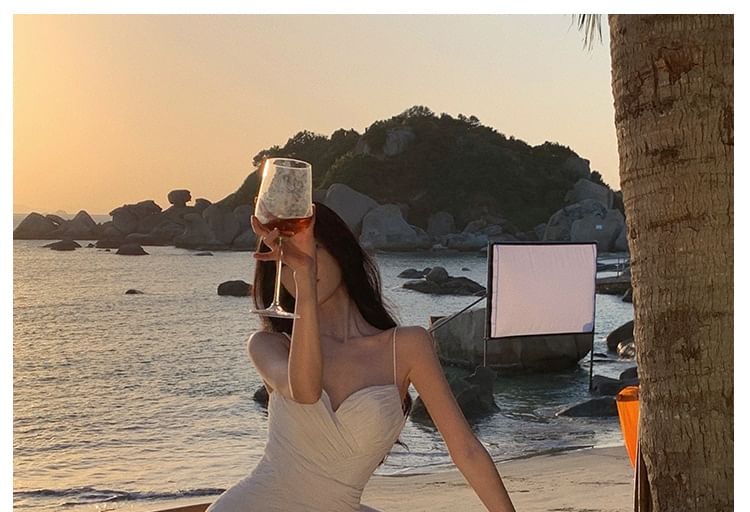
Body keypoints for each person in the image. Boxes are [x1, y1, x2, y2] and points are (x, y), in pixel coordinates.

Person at [205, 201, 516, 512]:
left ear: (340, 251)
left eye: (311, 249)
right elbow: (306, 392)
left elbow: (466, 451)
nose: (300, 264)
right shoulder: (268, 345)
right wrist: (305, 282)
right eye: (284, 262)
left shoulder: (407, 346)